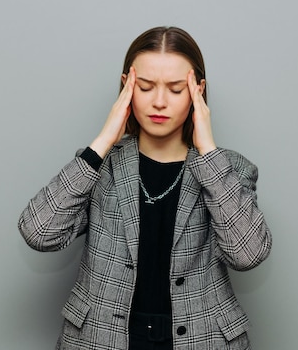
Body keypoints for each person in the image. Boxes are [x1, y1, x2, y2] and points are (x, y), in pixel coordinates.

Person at [18, 26, 272, 350]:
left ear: (198, 91)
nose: (160, 102)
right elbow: (39, 232)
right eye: (146, 87)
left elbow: (247, 254)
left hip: (200, 340)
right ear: (127, 86)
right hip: (101, 339)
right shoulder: (99, 166)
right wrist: (104, 140)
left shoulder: (229, 170)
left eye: (176, 89)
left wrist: (208, 150)